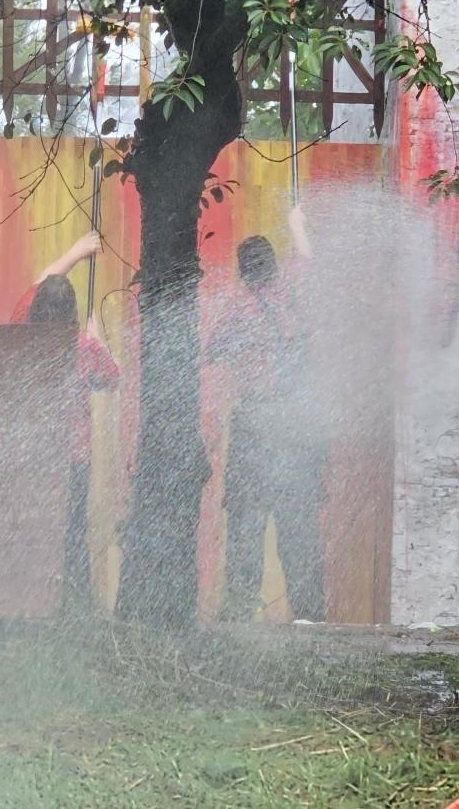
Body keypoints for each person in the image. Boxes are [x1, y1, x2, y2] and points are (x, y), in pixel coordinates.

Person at [208, 205, 327, 623]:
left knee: (246, 521)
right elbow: (309, 265)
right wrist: (297, 225)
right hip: (296, 425)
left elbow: (212, 348)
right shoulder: (293, 295)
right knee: (299, 525)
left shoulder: (238, 308)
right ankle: (310, 616)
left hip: (254, 426)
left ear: (243, 272)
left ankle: (240, 611)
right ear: (274, 267)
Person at [11, 231, 119, 610]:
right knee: (72, 534)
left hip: (32, 456)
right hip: (72, 459)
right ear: (72, 311)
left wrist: (75, 252)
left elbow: (41, 280)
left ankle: (30, 600)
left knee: (35, 531)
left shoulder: (22, 336)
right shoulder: (83, 348)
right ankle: (74, 605)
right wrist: (99, 340)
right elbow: (112, 379)